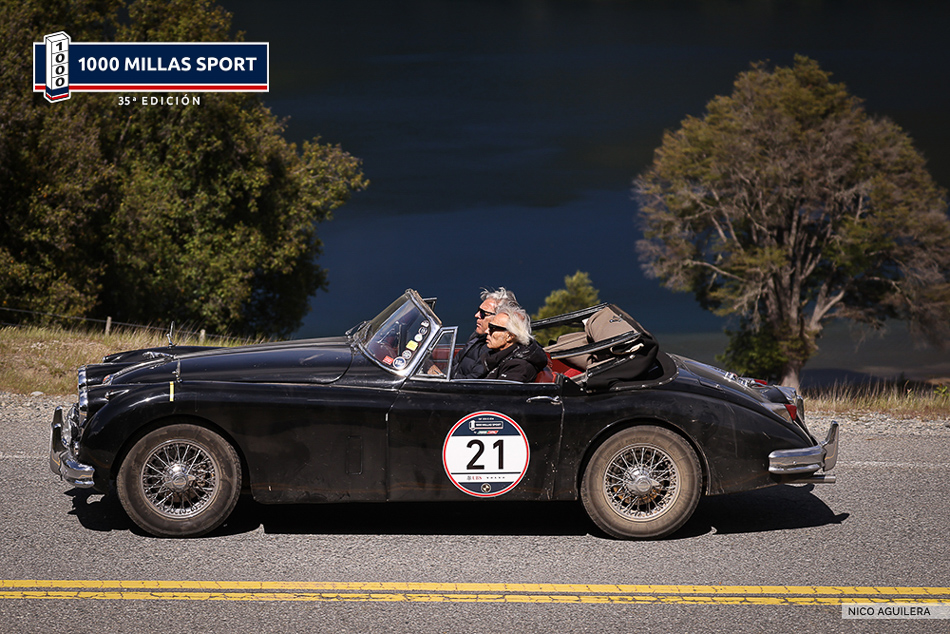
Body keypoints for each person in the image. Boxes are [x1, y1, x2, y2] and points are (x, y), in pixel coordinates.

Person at [452, 287, 518, 379]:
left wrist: (437, 375)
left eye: (483, 313)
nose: (476, 315)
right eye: (478, 310)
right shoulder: (477, 337)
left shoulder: (494, 349)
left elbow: (472, 381)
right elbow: (454, 365)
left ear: (499, 317)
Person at [481, 302, 549, 382]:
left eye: (492, 328)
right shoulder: (498, 356)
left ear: (509, 336)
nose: (486, 331)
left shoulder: (518, 367)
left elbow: (500, 389)